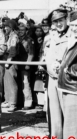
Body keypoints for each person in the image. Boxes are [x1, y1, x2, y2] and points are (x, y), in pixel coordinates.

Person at [44, 8, 69, 139]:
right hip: (51, 79)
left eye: (61, 20)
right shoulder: (52, 36)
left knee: (69, 114)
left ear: (67, 19)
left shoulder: (72, 35)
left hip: (67, 81)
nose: (58, 24)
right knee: (54, 114)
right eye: (55, 22)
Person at [57, 10, 77, 138]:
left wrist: (67, 71)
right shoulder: (73, 40)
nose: (74, 28)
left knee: (71, 129)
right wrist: (61, 65)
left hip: (73, 89)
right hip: (67, 87)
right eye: (73, 25)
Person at [2, 20, 19, 112]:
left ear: (11, 27)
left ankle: (13, 103)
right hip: (6, 60)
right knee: (6, 82)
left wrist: (8, 61)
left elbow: (13, 50)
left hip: (11, 62)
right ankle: (7, 100)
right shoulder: (7, 36)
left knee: (12, 83)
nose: (5, 28)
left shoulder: (14, 37)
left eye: (6, 27)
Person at [17, 23, 34, 110]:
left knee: (26, 83)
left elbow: (31, 54)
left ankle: (28, 103)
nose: (21, 32)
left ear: (26, 31)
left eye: (22, 30)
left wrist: (28, 64)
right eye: (19, 30)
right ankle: (20, 102)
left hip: (25, 65)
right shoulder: (17, 39)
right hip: (18, 64)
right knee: (20, 84)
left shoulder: (29, 40)